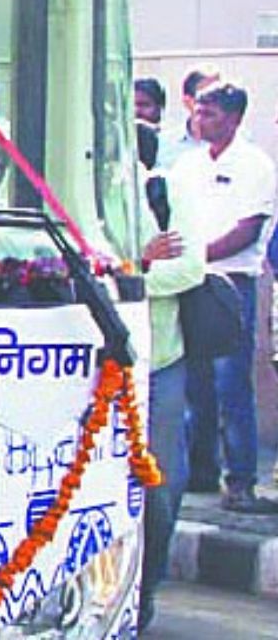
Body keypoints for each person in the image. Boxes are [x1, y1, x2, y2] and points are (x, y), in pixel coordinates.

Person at [172, 81, 278, 513]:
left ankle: (241, 481)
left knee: (231, 383)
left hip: (231, 282)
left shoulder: (255, 164)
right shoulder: (187, 165)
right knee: (194, 382)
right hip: (189, 280)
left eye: (210, 113)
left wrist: (197, 256)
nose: (200, 119)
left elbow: (247, 230)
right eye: (198, 111)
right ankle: (201, 472)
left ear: (234, 118)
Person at [134, 118, 206, 631]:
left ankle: (145, 590)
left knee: (159, 486)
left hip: (160, 363)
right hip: (96, 363)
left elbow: (188, 269)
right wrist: (136, 262)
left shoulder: (164, 192)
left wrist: (130, 273)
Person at [159, 65, 220, 173]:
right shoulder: (163, 144)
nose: (218, 105)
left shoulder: (240, 143)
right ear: (188, 102)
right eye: (208, 98)